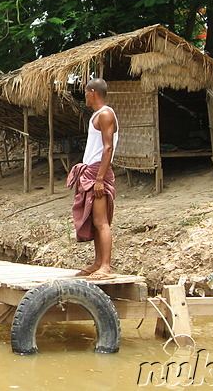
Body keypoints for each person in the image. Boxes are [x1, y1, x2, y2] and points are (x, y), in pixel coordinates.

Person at [66, 78, 119, 280]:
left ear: (93, 92)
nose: (85, 96)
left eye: (86, 92)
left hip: (98, 171)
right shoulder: (97, 115)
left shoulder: (105, 114)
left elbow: (108, 147)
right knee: (95, 221)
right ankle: (98, 262)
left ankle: (105, 266)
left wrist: (99, 179)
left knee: (101, 221)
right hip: (92, 170)